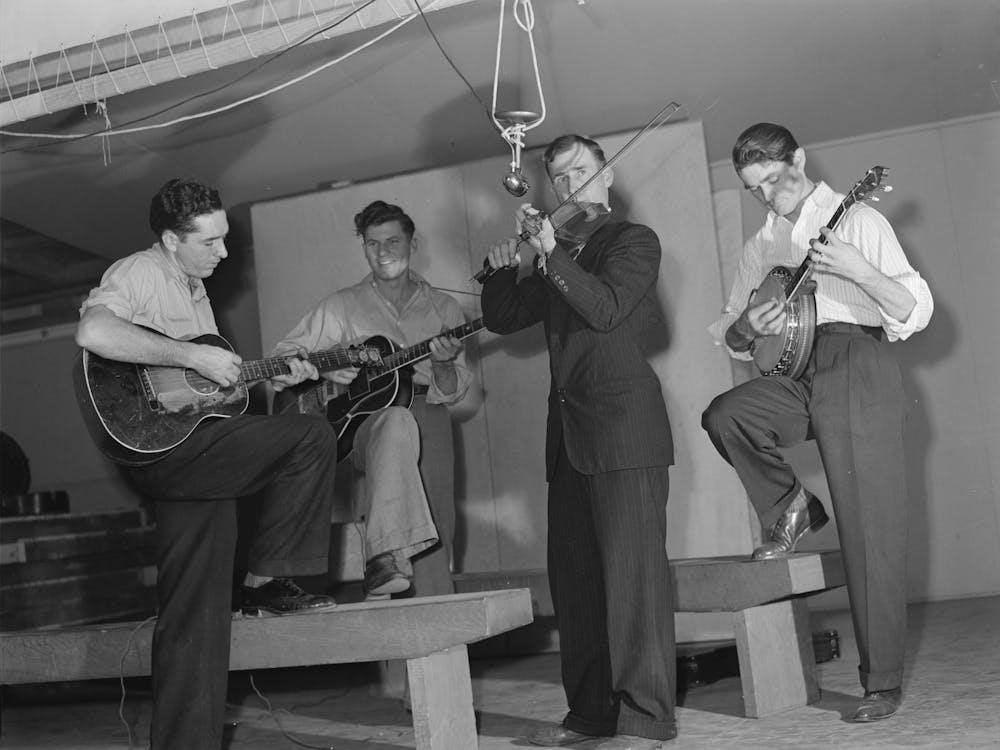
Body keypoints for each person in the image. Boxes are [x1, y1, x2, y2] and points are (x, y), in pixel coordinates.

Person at [75, 178, 340, 750]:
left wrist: (271, 374)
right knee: (312, 437)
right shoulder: (141, 271)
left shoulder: (194, 288)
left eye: (224, 240)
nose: (223, 252)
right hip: (159, 449)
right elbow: (94, 330)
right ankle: (268, 579)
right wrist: (192, 353)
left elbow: (208, 401)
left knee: (195, 614)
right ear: (171, 240)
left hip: (187, 450)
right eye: (210, 242)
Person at [702, 123, 933, 723]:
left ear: (799, 160)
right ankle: (791, 507)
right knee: (727, 416)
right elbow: (730, 333)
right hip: (794, 369)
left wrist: (858, 269)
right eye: (756, 189)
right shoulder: (761, 245)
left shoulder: (856, 218)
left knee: (868, 525)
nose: (771, 196)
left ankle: (880, 681)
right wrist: (750, 324)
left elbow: (913, 309)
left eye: (776, 179)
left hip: (856, 358)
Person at [481, 134, 676, 750]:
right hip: (568, 439)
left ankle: (647, 721)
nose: (569, 187)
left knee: (634, 583)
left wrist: (549, 255)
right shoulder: (557, 251)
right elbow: (504, 316)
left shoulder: (631, 242)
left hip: (624, 432)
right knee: (577, 585)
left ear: (607, 176)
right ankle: (592, 715)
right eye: (559, 179)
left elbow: (607, 308)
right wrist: (501, 269)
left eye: (580, 172)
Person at [273, 200, 471, 599]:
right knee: (376, 513)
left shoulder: (444, 307)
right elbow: (281, 361)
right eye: (372, 244)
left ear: (413, 244)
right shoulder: (340, 305)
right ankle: (392, 639)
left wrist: (444, 363)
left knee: (435, 526)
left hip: (426, 409)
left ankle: (437, 631)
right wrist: (324, 368)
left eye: (393, 241)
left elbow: (450, 390)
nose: (383, 253)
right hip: (366, 418)